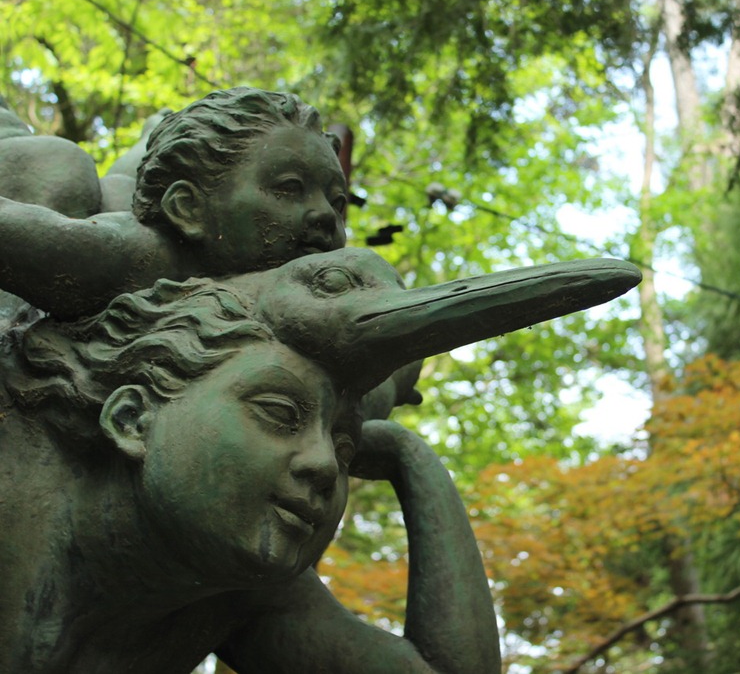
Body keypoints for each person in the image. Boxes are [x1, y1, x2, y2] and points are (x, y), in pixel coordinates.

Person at [0, 251, 507, 673]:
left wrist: (408, 455)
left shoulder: (242, 598)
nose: (325, 466)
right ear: (132, 417)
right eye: (278, 412)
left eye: (344, 449)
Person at [0, 87, 348, 320]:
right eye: (290, 188)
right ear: (189, 209)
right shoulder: (141, 257)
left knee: (118, 184)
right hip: (33, 169)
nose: (326, 215)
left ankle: (152, 131)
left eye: (338, 203)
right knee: (65, 167)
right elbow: (31, 235)